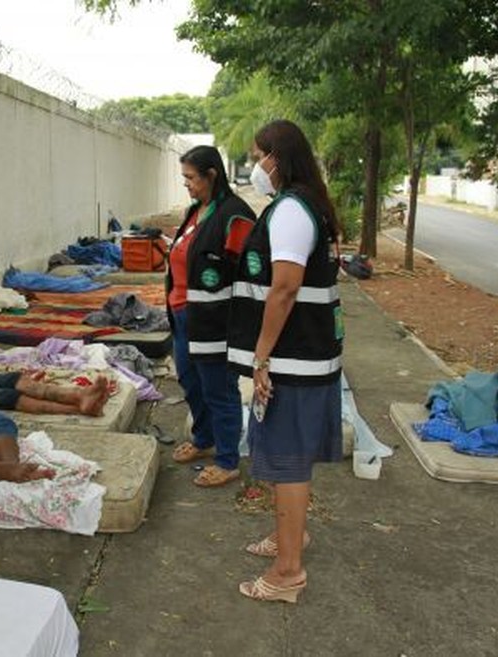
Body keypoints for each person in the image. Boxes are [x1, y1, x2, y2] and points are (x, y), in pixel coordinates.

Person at [227, 120, 344, 603]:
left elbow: (285, 287)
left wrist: (261, 356)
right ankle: (290, 537)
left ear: (278, 157)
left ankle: (287, 572)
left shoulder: (292, 209)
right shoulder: (302, 203)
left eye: (259, 156)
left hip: (293, 359)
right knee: (283, 456)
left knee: (289, 462)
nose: (256, 166)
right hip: (305, 354)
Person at [166, 145, 256, 487]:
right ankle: (204, 440)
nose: (186, 184)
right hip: (183, 315)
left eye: (190, 178)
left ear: (211, 175)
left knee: (219, 388)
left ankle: (228, 459)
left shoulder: (235, 215)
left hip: (214, 320)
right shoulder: (196, 211)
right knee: (191, 381)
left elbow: (246, 272)